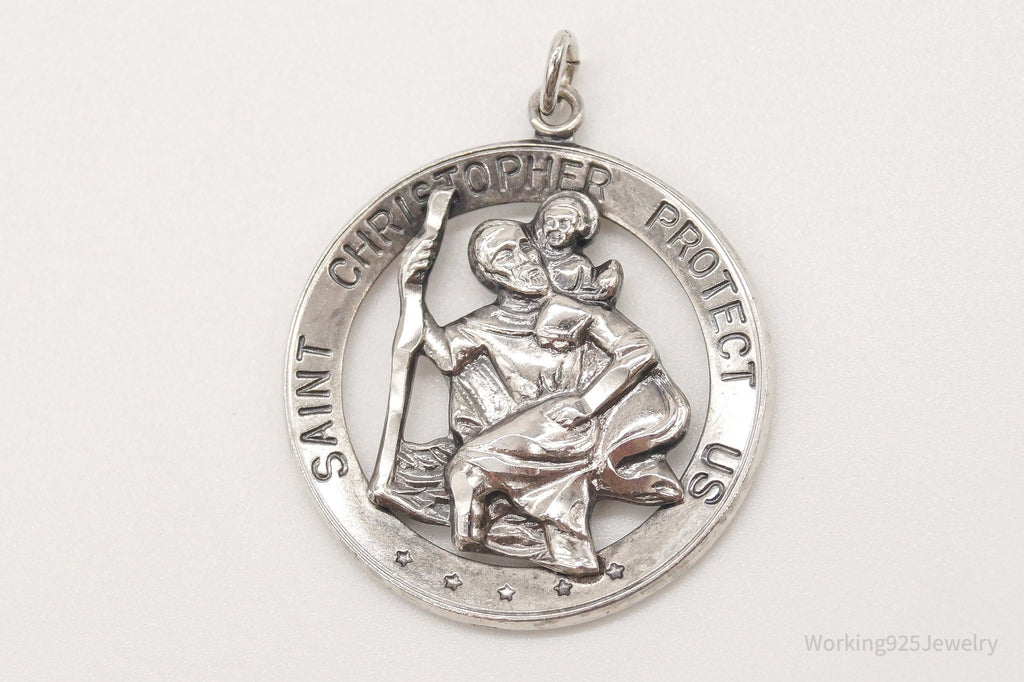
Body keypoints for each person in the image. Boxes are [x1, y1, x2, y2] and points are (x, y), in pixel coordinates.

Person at [403, 219, 688, 575]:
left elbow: (638, 350)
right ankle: (567, 553)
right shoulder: (480, 326)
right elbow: (444, 355)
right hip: (536, 428)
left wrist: (587, 403)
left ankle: (481, 535)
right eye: (506, 255)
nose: (524, 259)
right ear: (490, 274)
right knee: (496, 483)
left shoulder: (575, 309)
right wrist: (410, 291)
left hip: (581, 423)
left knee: (466, 471)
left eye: (525, 246)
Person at [527, 191, 623, 307]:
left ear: (579, 228)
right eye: (550, 222)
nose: (555, 229)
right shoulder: (527, 255)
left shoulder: (580, 267)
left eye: (564, 224)